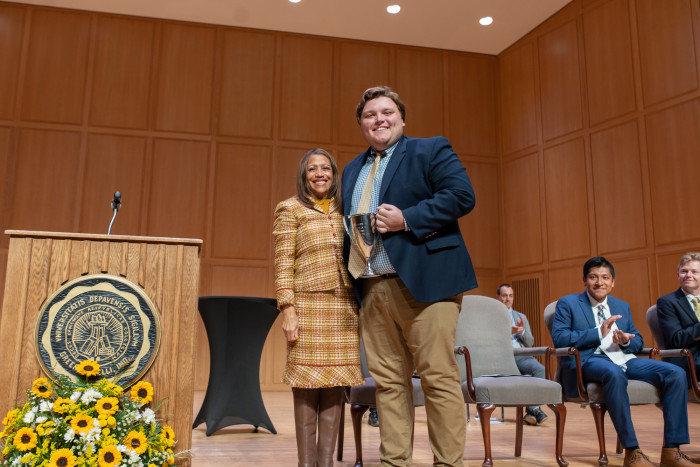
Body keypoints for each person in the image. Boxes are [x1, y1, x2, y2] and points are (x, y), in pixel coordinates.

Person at [342, 85, 476, 467]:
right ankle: (394, 462)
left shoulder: (430, 149)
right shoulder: (352, 169)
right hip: (372, 288)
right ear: (361, 125)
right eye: (370, 115)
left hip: (426, 285)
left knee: (438, 379)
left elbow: (462, 196)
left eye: (386, 112)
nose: (379, 119)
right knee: (388, 385)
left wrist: (408, 219)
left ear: (402, 118)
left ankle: (448, 463)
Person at [552, 256, 696, 467]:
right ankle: (632, 451)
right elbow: (560, 339)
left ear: (613, 282)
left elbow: (638, 339)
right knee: (613, 372)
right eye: (593, 277)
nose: (599, 282)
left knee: (675, 373)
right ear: (584, 280)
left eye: (605, 277)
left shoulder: (621, 305)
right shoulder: (568, 303)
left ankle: (672, 450)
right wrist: (597, 333)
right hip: (589, 360)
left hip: (623, 357)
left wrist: (627, 342)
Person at [273, 148, 364, 467]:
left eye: (326, 168)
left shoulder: (346, 210)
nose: (320, 173)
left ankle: (325, 463)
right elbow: (283, 262)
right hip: (308, 306)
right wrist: (288, 308)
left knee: (335, 385)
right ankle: (305, 463)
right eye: (313, 169)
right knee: (306, 385)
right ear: (304, 175)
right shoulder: (289, 209)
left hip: (343, 308)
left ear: (335, 174)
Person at [496, 284, 548, 426]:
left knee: (540, 369)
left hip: (521, 355)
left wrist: (521, 332)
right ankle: (535, 410)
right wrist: (508, 332)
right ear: (498, 297)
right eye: (504, 295)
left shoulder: (520, 316)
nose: (508, 299)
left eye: (510, 295)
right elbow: (488, 340)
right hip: (502, 357)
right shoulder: (492, 317)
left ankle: (532, 410)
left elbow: (530, 342)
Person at [657, 252, 700, 385]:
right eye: (684, 271)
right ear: (678, 275)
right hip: (688, 360)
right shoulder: (667, 302)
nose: (688, 275)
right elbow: (676, 339)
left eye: (694, 272)